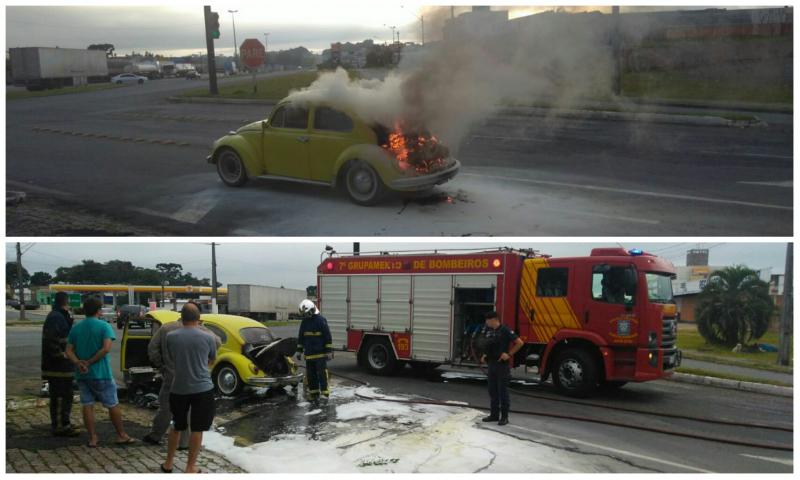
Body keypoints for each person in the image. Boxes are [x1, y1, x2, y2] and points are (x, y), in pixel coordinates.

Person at [144, 303, 220, 448]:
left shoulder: (166, 329)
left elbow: (152, 349)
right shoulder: (205, 332)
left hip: (173, 376)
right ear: (198, 317)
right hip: (197, 379)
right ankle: (184, 443)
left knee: (166, 407)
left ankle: (155, 435)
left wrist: (162, 366)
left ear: (181, 314)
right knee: (190, 413)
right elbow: (217, 343)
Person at [66, 297, 134, 447]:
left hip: (82, 374)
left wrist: (79, 363)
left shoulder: (76, 328)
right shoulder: (104, 326)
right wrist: (90, 362)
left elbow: (68, 350)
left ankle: (92, 438)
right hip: (101, 373)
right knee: (112, 404)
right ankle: (121, 434)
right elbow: (106, 348)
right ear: (99, 310)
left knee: (87, 404)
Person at [161, 303, 218, 474]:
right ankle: (190, 467)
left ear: (181, 317)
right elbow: (212, 358)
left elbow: (171, 357)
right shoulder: (208, 337)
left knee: (176, 425)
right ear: (198, 318)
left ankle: (169, 463)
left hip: (178, 387)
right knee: (197, 428)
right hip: (202, 388)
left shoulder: (170, 336)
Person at [41, 292, 79, 437]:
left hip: (64, 365)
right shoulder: (55, 317)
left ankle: (65, 422)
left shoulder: (61, 316)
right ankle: (58, 425)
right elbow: (51, 340)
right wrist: (60, 355)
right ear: (66, 301)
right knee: (59, 396)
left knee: (67, 395)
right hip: (57, 366)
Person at [479, 311, 523, 426]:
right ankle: (494, 415)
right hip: (491, 364)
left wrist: (509, 354)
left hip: (502, 365)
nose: (486, 323)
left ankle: (504, 417)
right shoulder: (488, 330)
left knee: (502, 392)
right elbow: (488, 344)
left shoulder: (505, 330)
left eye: (487, 320)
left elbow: (519, 343)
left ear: (493, 319)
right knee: (492, 391)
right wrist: (484, 354)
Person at [296, 299, 333, 400]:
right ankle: (314, 394)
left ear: (312, 310)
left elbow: (327, 336)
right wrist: (299, 350)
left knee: (322, 375)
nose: (306, 316)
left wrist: (329, 351)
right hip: (309, 355)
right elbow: (301, 337)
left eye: (307, 313)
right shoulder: (304, 322)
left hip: (320, 355)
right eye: (304, 314)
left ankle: (325, 393)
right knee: (311, 376)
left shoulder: (321, 320)